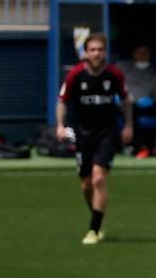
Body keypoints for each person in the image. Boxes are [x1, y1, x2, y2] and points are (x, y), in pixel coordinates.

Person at [56, 32, 134, 245]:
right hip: (83, 135)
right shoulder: (75, 75)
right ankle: (97, 215)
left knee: (99, 178)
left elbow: (127, 101)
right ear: (86, 52)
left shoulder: (114, 75)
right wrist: (60, 126)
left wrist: (128, 125)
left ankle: (94, 229)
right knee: (86, 185)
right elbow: (62, 101)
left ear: (105, 51)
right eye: (93, 50)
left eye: (100, 49)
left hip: (107, 134)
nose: (97, 53)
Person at [117, 43, 156, 159]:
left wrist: (151, 100)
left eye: (145, 52)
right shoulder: (122, 66)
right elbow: (114, 81)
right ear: (134, 53)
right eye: (139, 52)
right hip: (129, 104)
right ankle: (141, 148)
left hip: (149, 104)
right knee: (130, 110)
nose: (142, 55)